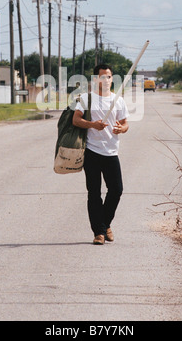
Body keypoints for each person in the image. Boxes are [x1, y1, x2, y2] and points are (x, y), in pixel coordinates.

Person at [72, 64, 129, 245]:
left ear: (113, 79)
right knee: (94, 193)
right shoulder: (86, 99)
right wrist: (92, 125)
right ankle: (99, 233)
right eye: (102, 77)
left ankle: (105, 224)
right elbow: (76, 120)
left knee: (116, 190)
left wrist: (122, 128)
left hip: (111, 152)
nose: (106, 80)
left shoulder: (118, 100)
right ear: (95, 79)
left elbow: (125, 123)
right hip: (92, 151)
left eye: (109, 77)